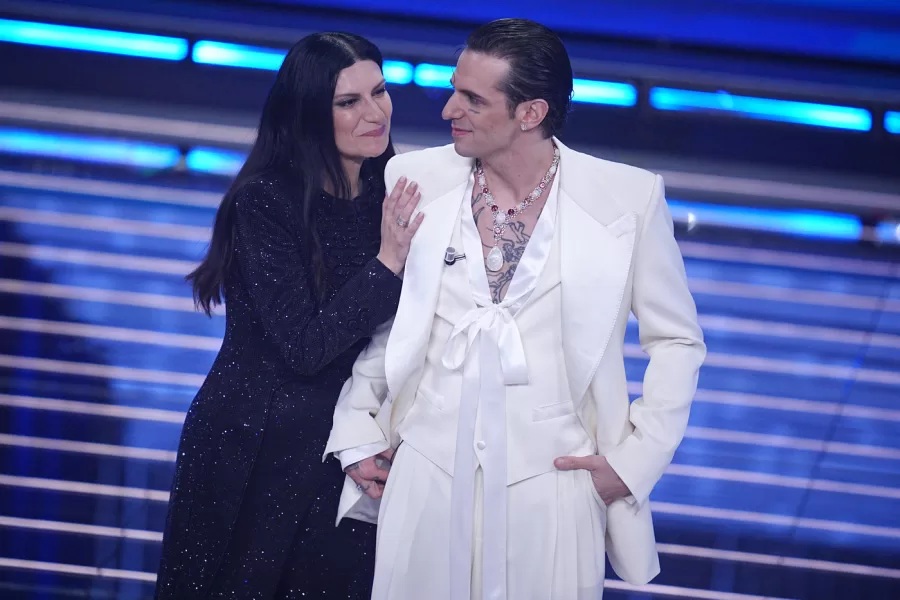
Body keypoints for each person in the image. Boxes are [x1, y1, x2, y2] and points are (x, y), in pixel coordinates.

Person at [325, 18, 706, 600]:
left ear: (530, 113)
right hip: (424, 474)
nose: (449, 108)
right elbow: (394, 321)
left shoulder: (626, 197)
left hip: (554, 488)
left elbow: (676, 341)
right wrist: (356, 424)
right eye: (454, 88)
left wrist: (632, 463)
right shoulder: (413, 178)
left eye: (473, 99)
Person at [154, 32, 422, 599]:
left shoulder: (395, 192)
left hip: (345, 446)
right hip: (253, 444)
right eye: (349, 102)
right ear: (308, 113)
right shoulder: (265, 201)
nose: (375, 113)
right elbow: (303, 344)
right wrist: (389, 260)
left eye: (380, 91)